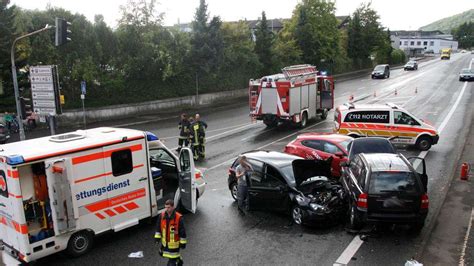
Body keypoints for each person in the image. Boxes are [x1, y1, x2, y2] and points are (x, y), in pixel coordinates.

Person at [155, 199, 187, 266]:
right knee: (162, 253)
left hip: (175, 244)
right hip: (165, 243)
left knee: (171, 262)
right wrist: (157, 239)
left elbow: (182, 232)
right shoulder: (162, 216)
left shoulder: (179, 218)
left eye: (168, 207)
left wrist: (183, 243)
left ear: (173, 207)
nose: (167, 209)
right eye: (165, 207)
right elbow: (158, 228)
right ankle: (179, 260)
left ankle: (175, 261)